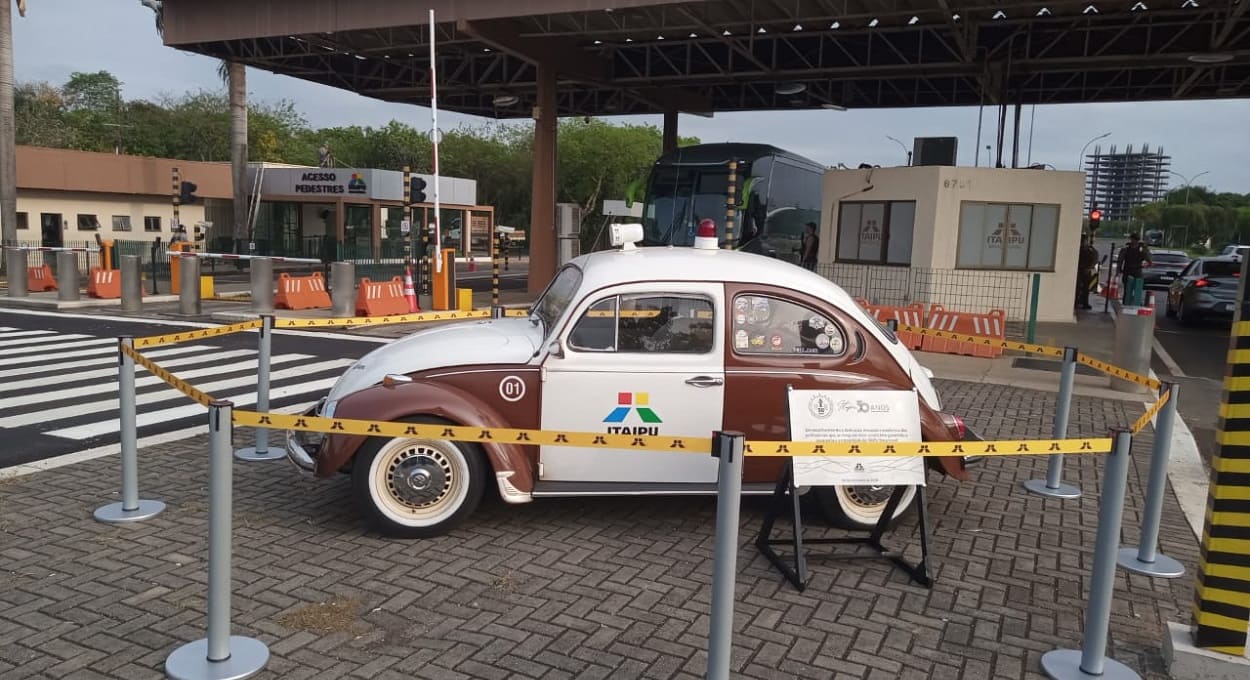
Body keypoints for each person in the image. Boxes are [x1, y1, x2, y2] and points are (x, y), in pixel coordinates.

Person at [1116, 233, 1152, 304]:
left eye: (1135, 239)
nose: (1134, 241)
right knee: (1127, 289)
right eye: (1133, 239)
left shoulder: (1141, 249)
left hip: (1136, 270)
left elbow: (1148, 259)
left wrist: (1147, 263)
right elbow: (1120, 260)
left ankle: (1136, 302)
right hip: (1128, 270)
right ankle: (1127, 302)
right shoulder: (1126, 249)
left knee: (1137, 289)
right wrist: (1118, 270)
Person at [1076, 233, 1098, 310]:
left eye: (1084, 240)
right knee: (1077, 287)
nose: (1083, 242)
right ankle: (1076, 302)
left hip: (1087, 270)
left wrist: (1090, 268)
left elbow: (1095, 258)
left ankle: (1085, 303)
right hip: (1078, 270)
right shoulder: (1077, 249)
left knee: (1086, 288)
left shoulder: (1090, 250)